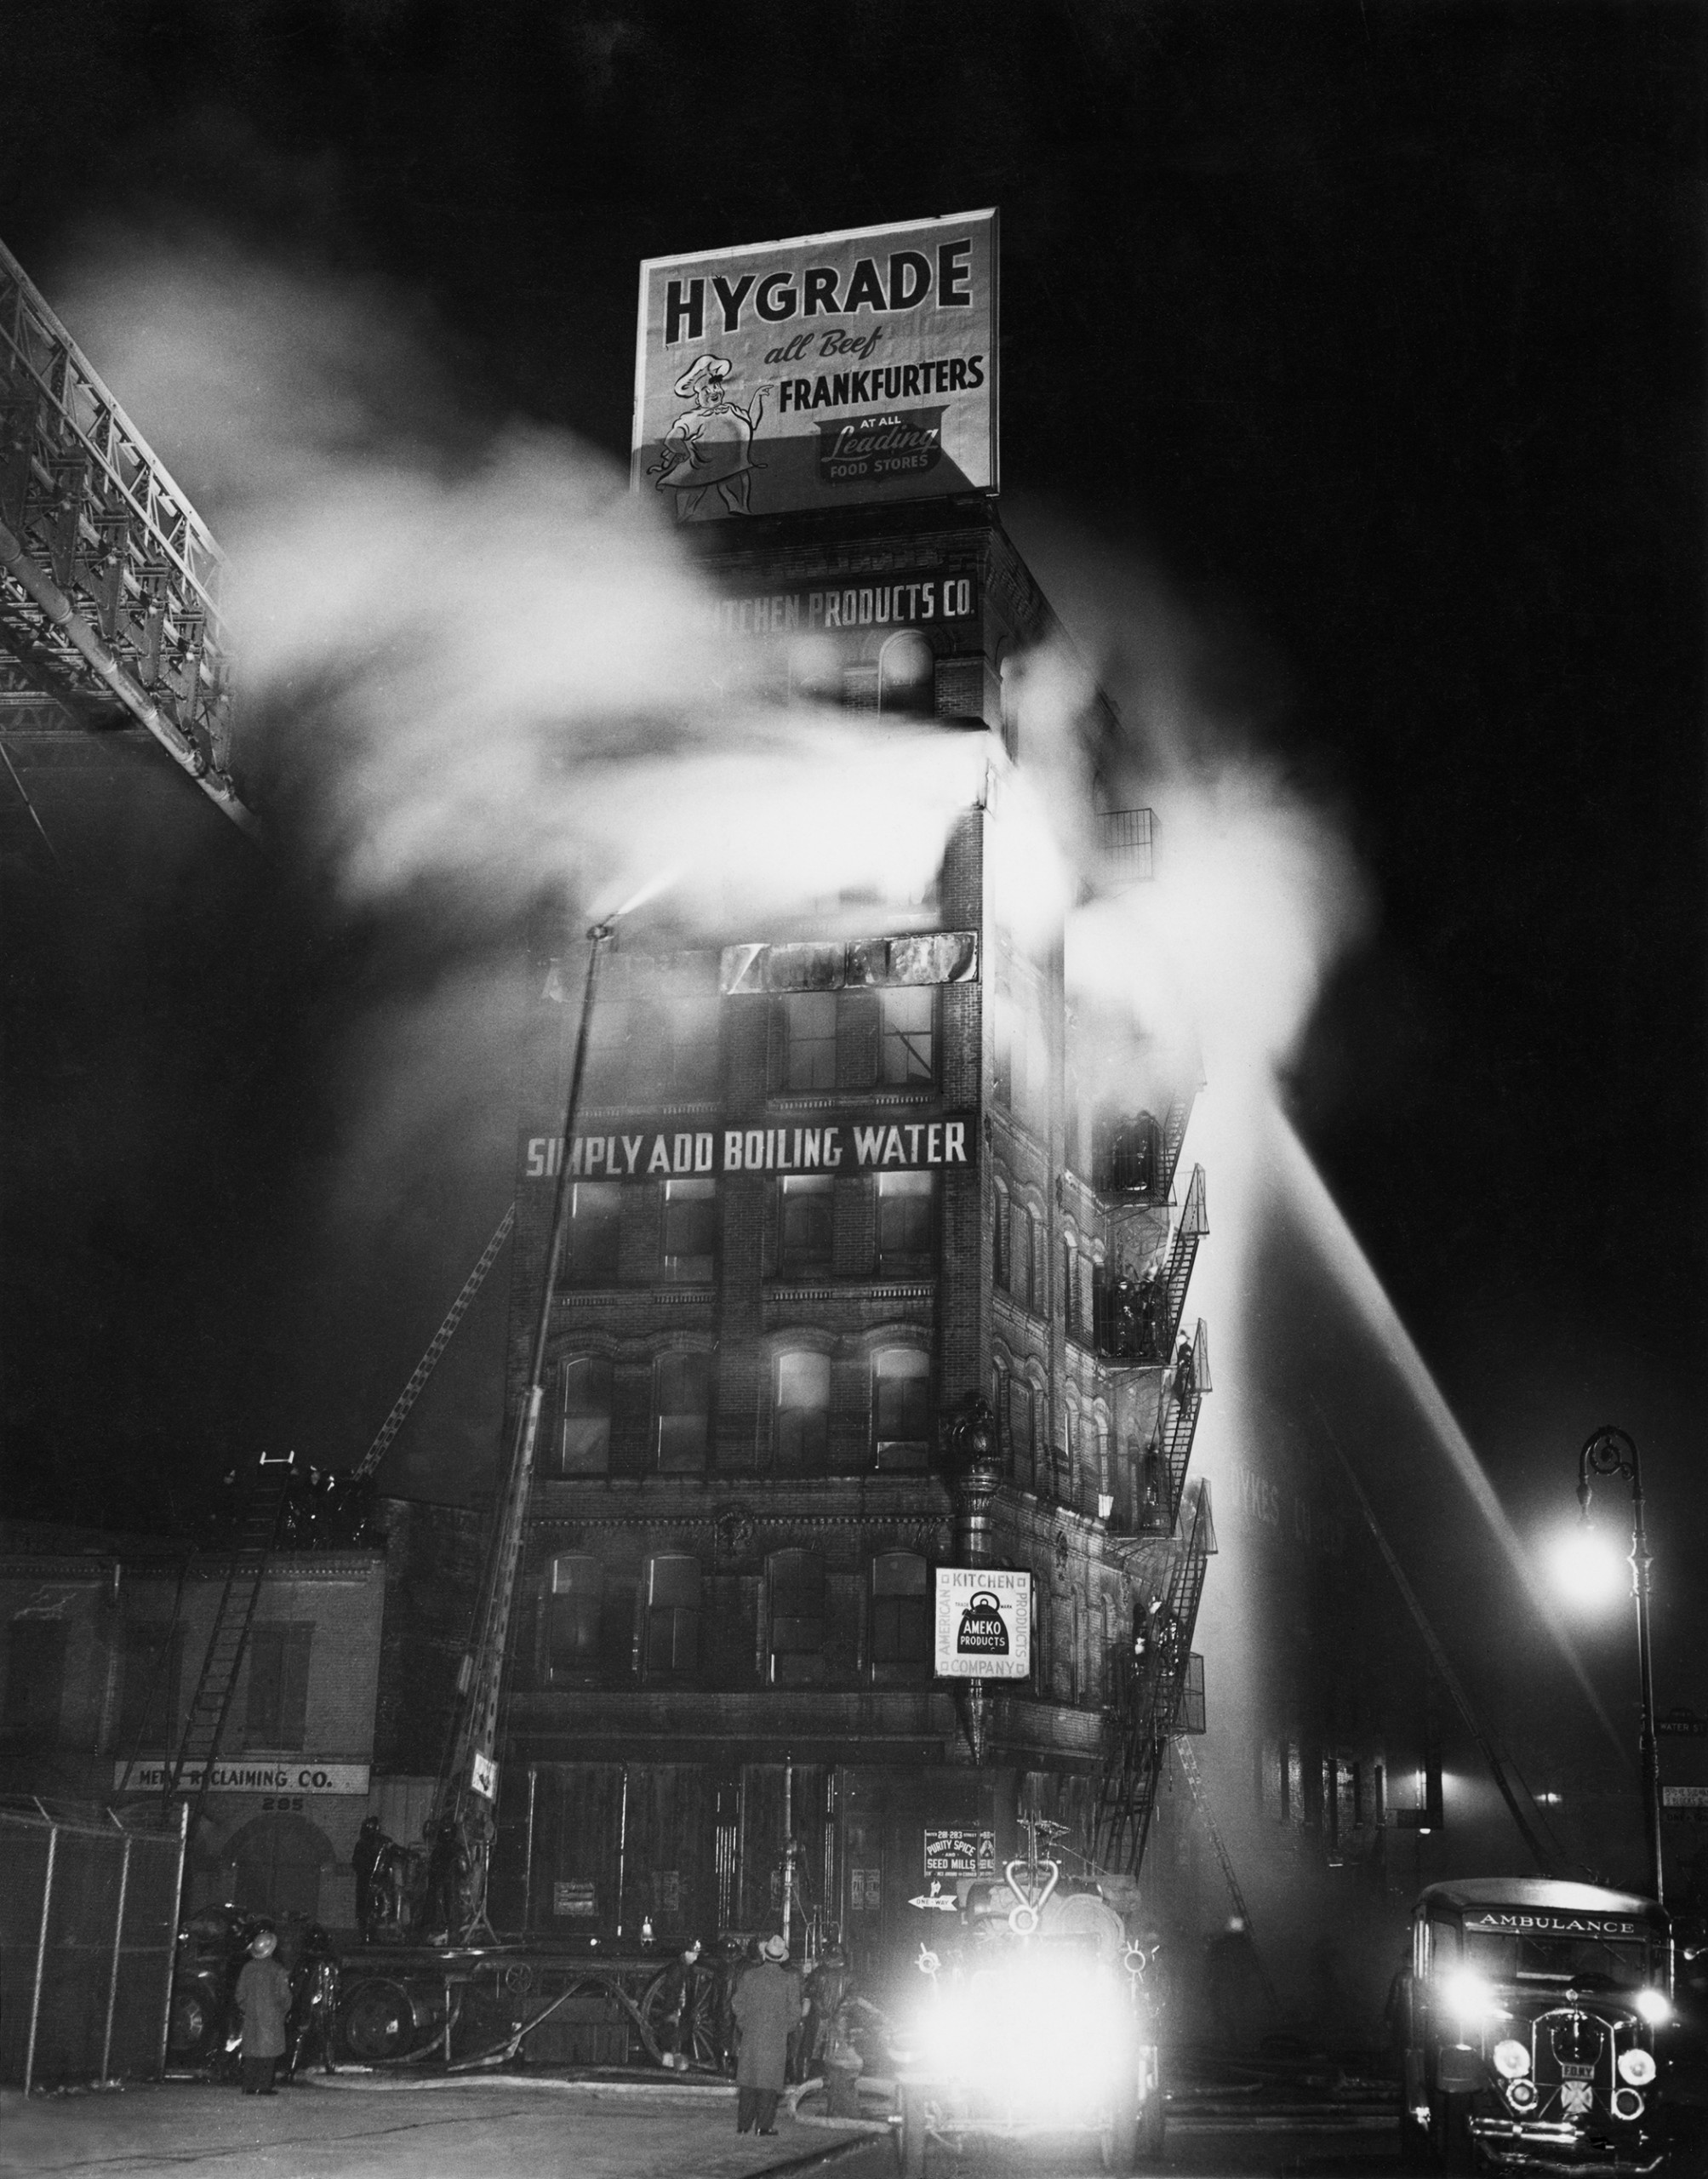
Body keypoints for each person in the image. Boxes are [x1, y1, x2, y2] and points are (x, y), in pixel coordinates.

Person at [731, 1933, 803, 2135]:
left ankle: (743, 2125)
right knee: (769, 2084)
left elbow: (737, 2003)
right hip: (775, 2040)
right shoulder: (789, 1980)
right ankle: (763, 2127)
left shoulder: (750, 1975)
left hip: (751, 2036)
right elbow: (795, 2013)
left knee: (749, 2081)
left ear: (765, 1955)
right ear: (782, 1958)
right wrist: (783, 2029)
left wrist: (745, 2024)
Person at [234, 1928, 293, 2096]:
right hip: (272, 2017)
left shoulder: (247, 1968)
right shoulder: (278, 1970)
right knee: (269, 2053)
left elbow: (239, 1995)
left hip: (251, 2016)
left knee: (251, 2051)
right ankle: (264, 2086)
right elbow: (285, 1997)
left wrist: (248, 2009)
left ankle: (248, 2086)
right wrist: (281, 2013)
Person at [655, 1939, 702, 2069]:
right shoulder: (678, 1970)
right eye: (694, 1954)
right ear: (685, 1953)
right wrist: (673, 2012)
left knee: (677, 2041)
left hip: (681, 2012)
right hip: (677, 2012)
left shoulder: (685, 1968)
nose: (696, 1957)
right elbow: (673, 1993)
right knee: (673, 2041)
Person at [352, 1815, 390, 1942]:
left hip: (372, 1881)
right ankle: (367, 1935)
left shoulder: (379, 1843)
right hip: (368, 1881)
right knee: (367, 1908)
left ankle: (369, 1935)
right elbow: (356, 1863)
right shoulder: (363, 1844)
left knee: (371, 1908)